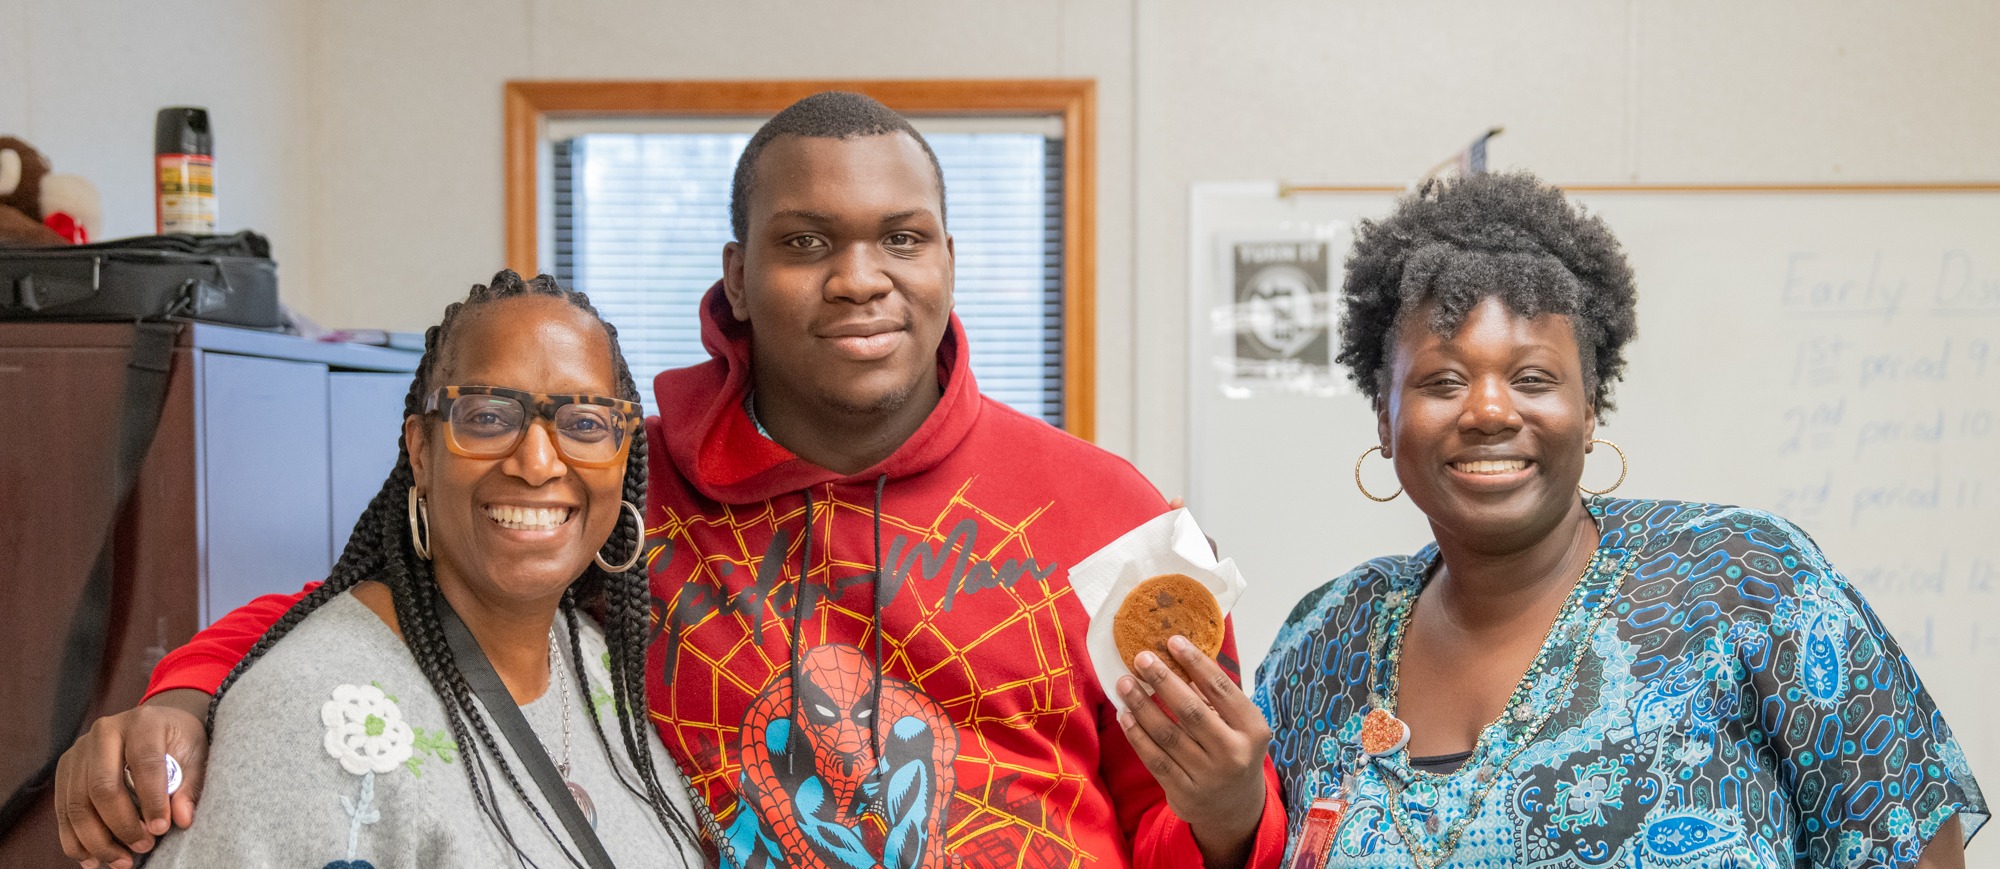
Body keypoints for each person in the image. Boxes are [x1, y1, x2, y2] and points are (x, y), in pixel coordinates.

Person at [58, 92, 1287, 869]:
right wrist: (192, 690)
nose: (861, 276)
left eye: (900, 238)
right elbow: (395, 600)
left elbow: (1190, 813)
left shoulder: (1113, 513)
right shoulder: (615, 479)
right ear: (737, 275)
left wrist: (1237, 808)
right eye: (806, 241)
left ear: (949, 262)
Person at [1252, 172, 1987, 869]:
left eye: (1533, 378)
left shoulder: (1751, 583)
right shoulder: (1322, 644)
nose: (1488, 411)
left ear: (1590, 410)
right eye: (1442, 382)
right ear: (1385, 419)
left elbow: (1906, 837)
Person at [115, 272, 709, 866]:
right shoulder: (308, 717)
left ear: (622, 453)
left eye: (583, 423)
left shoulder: (604, 664)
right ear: (422, 451)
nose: (536, 462)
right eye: (488, 416)